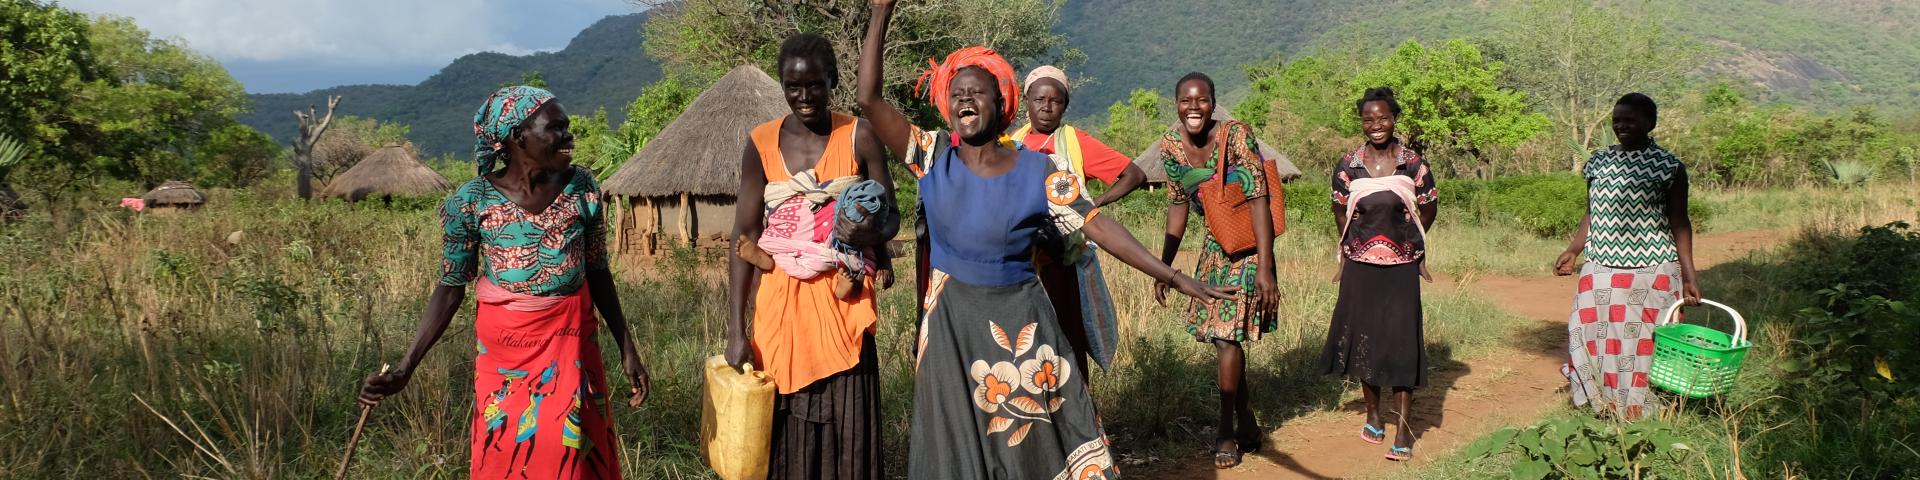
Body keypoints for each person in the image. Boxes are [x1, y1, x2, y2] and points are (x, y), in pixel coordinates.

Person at [859, 2, 1236, 478]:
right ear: (946, 105)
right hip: (952, 323)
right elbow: (869, 98)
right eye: (957, 94)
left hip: (1023, 326)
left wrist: (1173, 275)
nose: (966, 101)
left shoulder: (1041, 172)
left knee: (1038, 440)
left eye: (978, 92)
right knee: (957, 442)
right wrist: (880, 12)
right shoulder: (932, 155)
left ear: (1002, 104)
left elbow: (1097, 224)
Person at [358, 85, 649, 479]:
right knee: (512, 450)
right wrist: (406, 368)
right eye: (556, 128)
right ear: (517, 137)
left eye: (567, 127)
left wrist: (627, 347)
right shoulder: (471, 201)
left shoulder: (582, 188)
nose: (569, 136)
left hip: (573, 346)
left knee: (573, 452)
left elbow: (597, 272)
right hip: (505, 358)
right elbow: (450, 287)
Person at [724, 32, 898, 480]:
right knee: (786, 428)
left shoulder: (860, 137)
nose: (804, 96)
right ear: (781, 85)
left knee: (850, 427)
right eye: (793, 86)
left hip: (843, 301)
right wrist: (736, 330)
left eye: (815, 85)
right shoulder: (760, 143)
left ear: (833, 81)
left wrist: (866, 231)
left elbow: (891, 215)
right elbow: (744, 235)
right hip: (779, 305)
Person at [1151, 72, 1281, 468]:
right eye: (1186, 100)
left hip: (1250, 247)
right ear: (1176, 104)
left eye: (1202, 100)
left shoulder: (1237, 135)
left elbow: (1259, 199)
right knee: (1223, 338)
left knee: (1226, 338)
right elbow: (1178, 207)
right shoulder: (1171, 145)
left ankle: (1226, 432)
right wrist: (1164, 266)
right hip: (1213, 246)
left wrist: (1266, 267)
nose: (1194, 107)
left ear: (1213, 102)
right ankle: (1248, 423)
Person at [1555, 92, 1700, 421]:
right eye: (1617, 120)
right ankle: (1600, 400)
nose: (1622, 126)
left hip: (1651, 268)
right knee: (1586, 331)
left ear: (1650, 124)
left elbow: (1680, 222)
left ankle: (1639, 406)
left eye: (1630, 120)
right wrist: (1574, 249)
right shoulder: (1598, 162)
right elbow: (1592, 212)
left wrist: (1689, 276)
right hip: (1600, 263)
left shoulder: (1669, 166)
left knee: (1640, 342)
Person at [1321, 86, 1436, 462]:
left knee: (1402, 344)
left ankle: (1403, 430)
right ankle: (1373, 414)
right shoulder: (1348, 164)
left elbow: (1429, 206)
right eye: (1368, 119)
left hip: (1401, 269)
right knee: (1365, 340)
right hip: (1359, 267)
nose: (1376, 125)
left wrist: (1410, 242)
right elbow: (1340, 209)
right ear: (1362, 122)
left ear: (1394, 118)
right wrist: (1352, 246)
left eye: (1383, 118)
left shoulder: (1413, 164)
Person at [1015, 65, 1150, 374]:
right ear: (1027, 102)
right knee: (1029, 346)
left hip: (1064, 262)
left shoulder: (1075, 142)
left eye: (1056, 101)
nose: (1047, 107)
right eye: (1039, 99)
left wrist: (1094, 204)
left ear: (1065, 105)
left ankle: (1083, 416)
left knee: (1069, 341)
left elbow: (1134, 174)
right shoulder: (1012, 144)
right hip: (1023, 263)